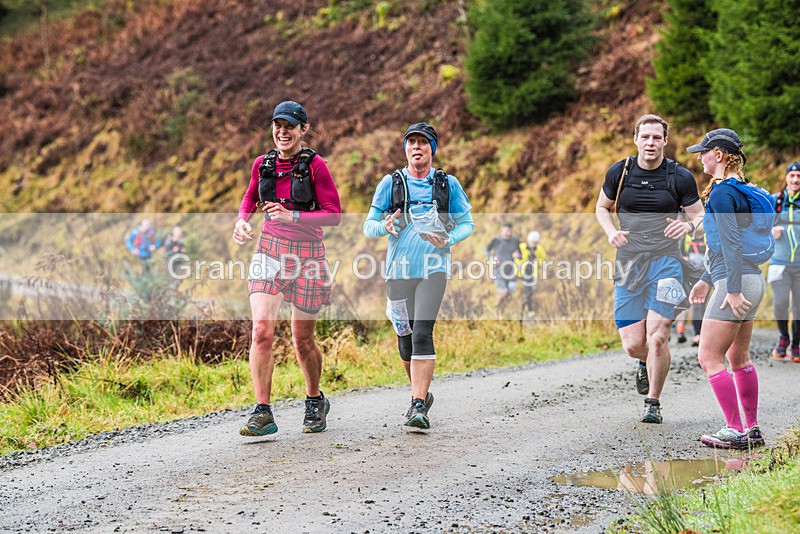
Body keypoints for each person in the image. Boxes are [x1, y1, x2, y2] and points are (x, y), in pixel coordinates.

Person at [233, 100, 342, 436]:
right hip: (269, 250)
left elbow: (334, 215)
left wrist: (293, 215)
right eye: (277, 126)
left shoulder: (316, 166)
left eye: (290, 126)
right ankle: (263, 411)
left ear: (303, 130)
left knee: (302, 339)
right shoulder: (263, 164)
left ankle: (314, 399)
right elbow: (250, 197)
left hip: (308, 255)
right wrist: (242, 221)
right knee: (261, 331)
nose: (283, 132)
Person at [363, 122, 473, 429]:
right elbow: (368, 226)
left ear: (431, 149)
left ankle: (418, 405)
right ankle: (420, 393)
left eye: (422, 142)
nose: (416, 147)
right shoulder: (391, 183)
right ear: (405, 149)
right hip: (398, 271)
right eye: (411, 142)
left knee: (423, 331)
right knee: (405, 338)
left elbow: (467, 224)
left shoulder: (447, 184)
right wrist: (383, 226)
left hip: (433, 269)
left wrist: (448, 239)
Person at [595, 114, 704, 424]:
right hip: (628, 264)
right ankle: (644, 363)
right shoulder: (620, 172)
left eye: (657, 137)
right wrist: (610, 232)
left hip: (666, 263)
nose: (651, 143)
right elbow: (601, 207)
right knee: (634, 346)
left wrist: (688, 226)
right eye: (645, 137)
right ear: (636, 139)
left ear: (665, 141)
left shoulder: (679, 176)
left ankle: (652, 401)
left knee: (657, 336)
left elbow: (701, 216)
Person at [687, 128, 767, 449]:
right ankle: (752, 428)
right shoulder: (743, 190)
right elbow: (727, 245)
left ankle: (735, 429)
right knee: (739, 357)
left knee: (709, 356)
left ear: (718, 155)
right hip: (753, 279)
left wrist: (731, 290)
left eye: (703, 153)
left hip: (736, 283)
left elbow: (731, 244)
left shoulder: (721, 193)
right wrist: (707, 279)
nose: (700, 159)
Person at [768, 161, 800, 362]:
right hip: (779, 262)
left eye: (799, 176)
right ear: (786, 178)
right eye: (792, 176)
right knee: (780, 304)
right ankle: (783, 337)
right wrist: (770, 231)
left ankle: (796, 345)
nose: (795, 180)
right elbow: (759, 226)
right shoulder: (775, 200)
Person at [486, 222, 521, 307]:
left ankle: (502, 308)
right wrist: (492, 258)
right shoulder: (496, 240)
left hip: (511, 271)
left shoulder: (515, 241)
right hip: (499, 271)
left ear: (511, 231)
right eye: (506, 231)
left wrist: (518, 255)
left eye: (509, 231)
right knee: (504, 291)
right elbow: (486, 250)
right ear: (502, 231)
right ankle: (496, 306)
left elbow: (520, 254)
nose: (508, 233)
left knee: (511, 291)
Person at [517, 230, 547, 318]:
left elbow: (544, 260)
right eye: (532, 242)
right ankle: (528, 311)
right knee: (527, 292)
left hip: (533, 274)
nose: (533, 244)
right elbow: (516, 258)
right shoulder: (521, 247)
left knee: (531, 292)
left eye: (535, 243)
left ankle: (524, 310)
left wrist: (538, 261)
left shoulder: (539, 249)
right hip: (523, 273)